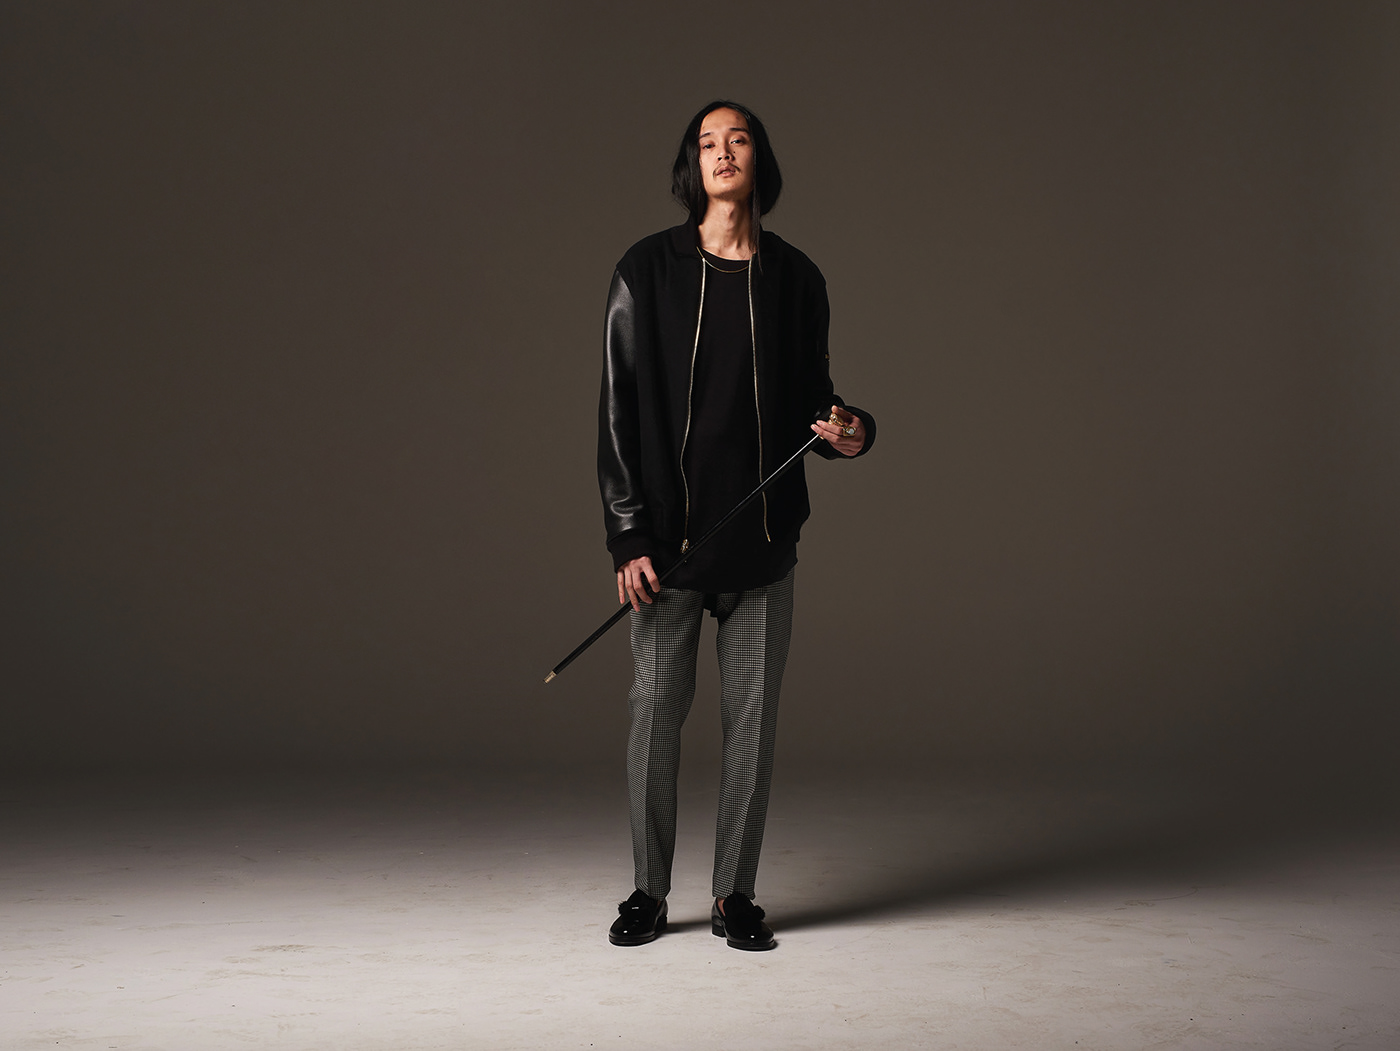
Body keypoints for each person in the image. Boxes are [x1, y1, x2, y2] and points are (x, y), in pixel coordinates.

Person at [597, 100, 875, 951]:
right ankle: (647, 890)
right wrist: (628, 536)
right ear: (693, 167)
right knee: (654, 714)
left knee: (752, 725)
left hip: (762, 544)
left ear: (760, 161)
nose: (722, 152)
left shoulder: (798, 279)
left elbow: (816, 406)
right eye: (707, 143)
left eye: (739, 139)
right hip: (669, 552)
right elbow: (618, 410)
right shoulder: (646, 270)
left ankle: (734, 895)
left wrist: (852, 431)